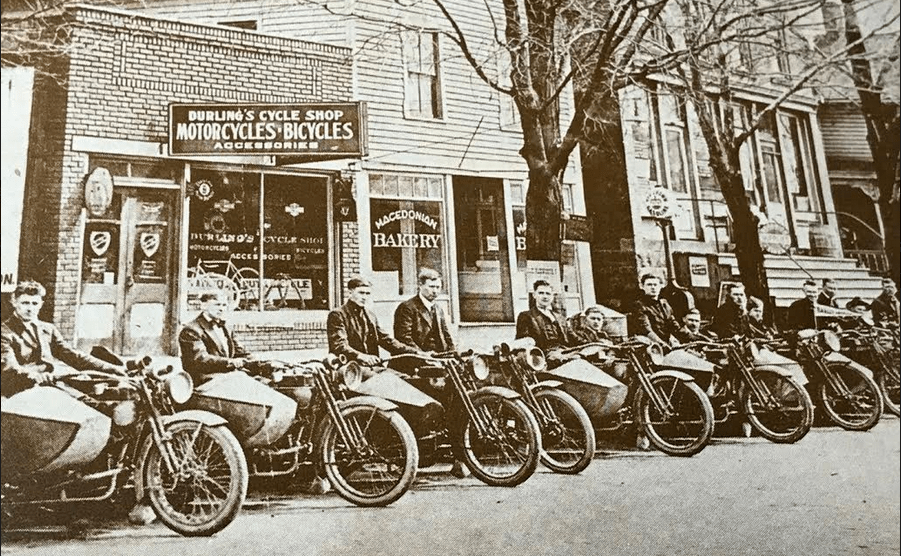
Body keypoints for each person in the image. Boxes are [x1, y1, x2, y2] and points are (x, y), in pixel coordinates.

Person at [1, 280, 124, 397]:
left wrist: (113, 370)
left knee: (99, 395)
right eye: (25, 303)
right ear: (14, 302)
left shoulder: (47, 329)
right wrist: (34, 375)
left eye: (35, 303)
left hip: (48, 384)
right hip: (20, 390)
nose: (30, 308)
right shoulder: (5, 332)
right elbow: (9, 369)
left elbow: (73, 356)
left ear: (41, 305)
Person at [327, 275, 417, 366]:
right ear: (350, 292)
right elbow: (339, 345)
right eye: (361, 293)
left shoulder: (370, 316)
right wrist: (361, 356)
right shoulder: (338, 315)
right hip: (351, 368)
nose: (364, 297)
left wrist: (416, 353)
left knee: (405, 378)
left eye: (367, 294)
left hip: (373, 367)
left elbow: (387, 341)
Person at [178, 291, 252, 385]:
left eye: (224, 305)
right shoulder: (191, 330)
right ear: (203, 306)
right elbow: (200, 359)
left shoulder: (226, 327)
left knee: (265, 381)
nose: (221, 309)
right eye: (217, 305)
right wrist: (230, 362)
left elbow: (242, 352)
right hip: (205, 380)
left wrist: (263, 364)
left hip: (228, 376)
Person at [394, 268, 456, 353]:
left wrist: (454, 352)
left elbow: (446, 335)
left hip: (438, 356)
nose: (435, 291)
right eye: (431, 287)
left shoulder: (438, 308)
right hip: (415, 357)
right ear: (420, 285)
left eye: (438, 287)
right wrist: (423, 355)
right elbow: (404, 338)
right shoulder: (407, 308)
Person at [516, 280, 576, 365]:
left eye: (548, 294)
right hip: (543, 355)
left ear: (552, 296)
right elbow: (523, 341)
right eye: (541, 293)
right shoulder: (526, 316)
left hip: (566, 351)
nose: (545, 297)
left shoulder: (560, 317)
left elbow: (572, 337)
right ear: (534, 295)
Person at [628, 273, 683, 346]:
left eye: (655, 285)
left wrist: (696, 337)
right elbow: (646, 330)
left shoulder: (664, 304)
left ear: (660, 286)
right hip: (650, 346)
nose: (653, 287)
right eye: (649, 285)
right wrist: (662, 344)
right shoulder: (639, 305)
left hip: (667, 343)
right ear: (642, 286)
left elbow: (675, 326)